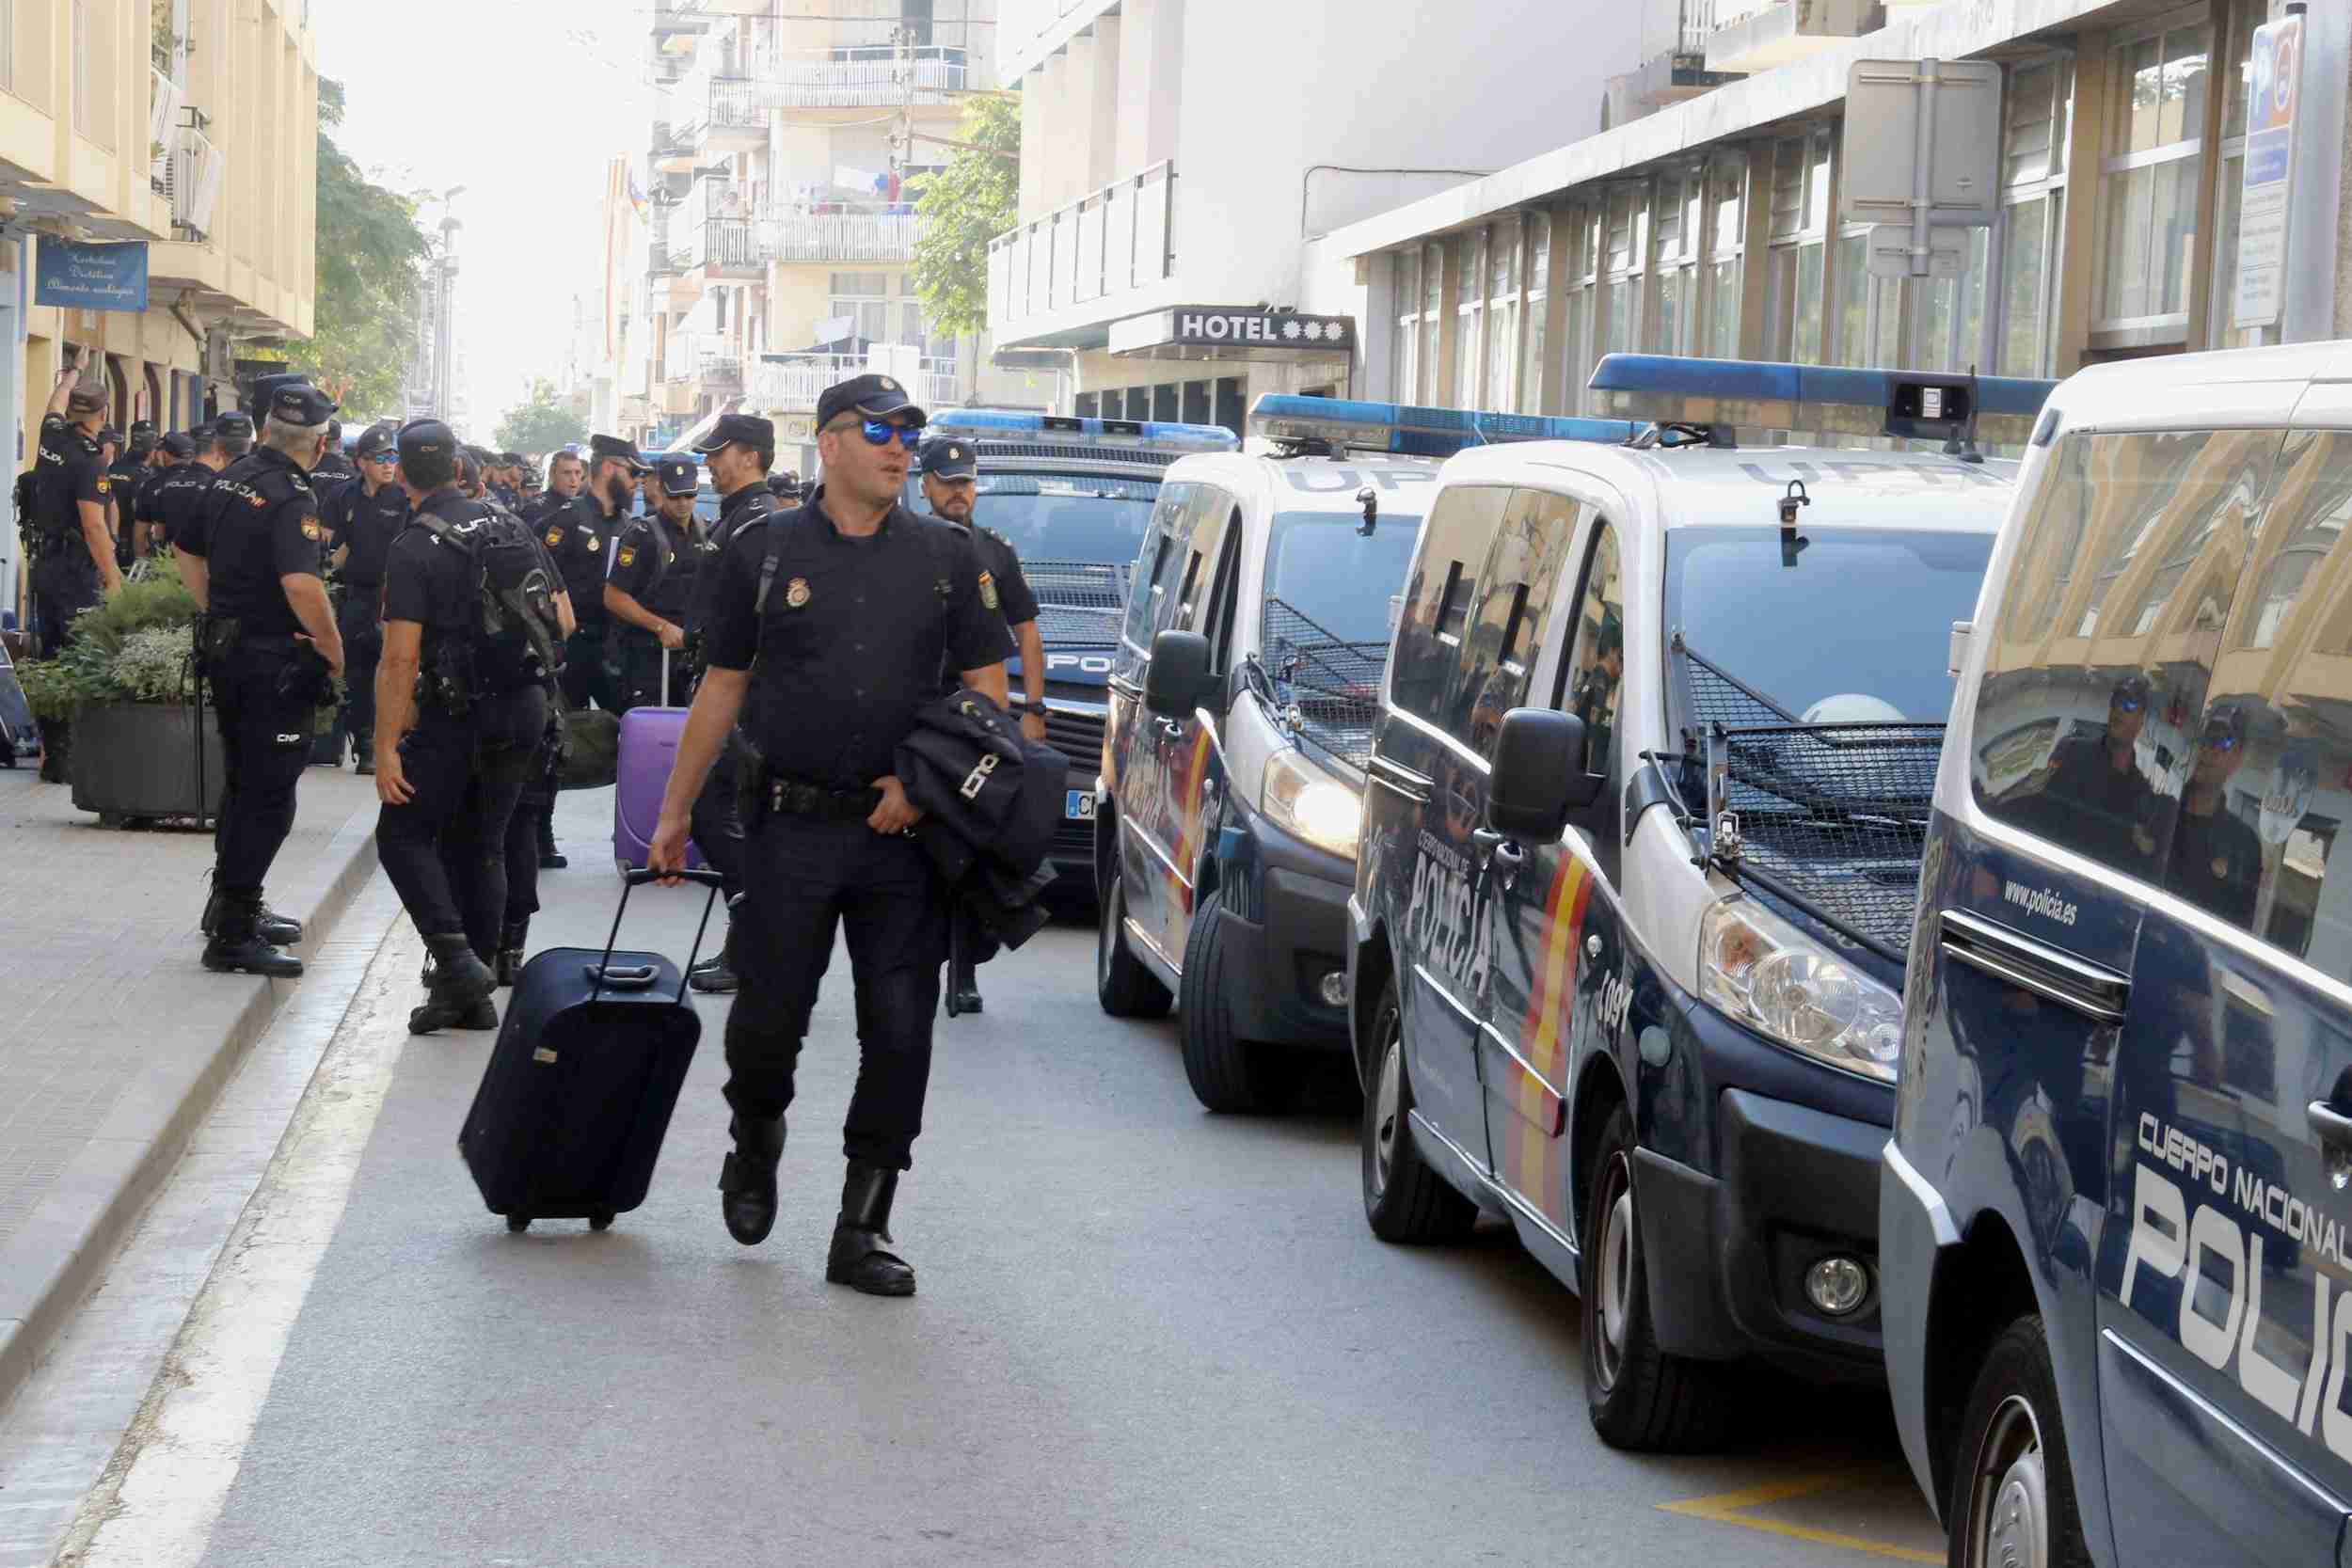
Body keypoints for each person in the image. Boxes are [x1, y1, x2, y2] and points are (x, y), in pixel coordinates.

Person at [648, 373, 1009, 1294]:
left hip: (901, 838)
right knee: (766, 1024)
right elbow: (722, 683)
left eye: (911, 432)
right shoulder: (761, 550)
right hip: (789, 828)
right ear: (831, 442)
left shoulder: (944, 553)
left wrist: (925, 783)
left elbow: (986, 692)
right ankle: (754, 1139)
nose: (901, 446)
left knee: (899, 1030)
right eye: (881, 430)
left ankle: (863, 1222)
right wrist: (675, 808)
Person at [373, 419, 566, 1034]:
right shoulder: (509, 522)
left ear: (402, 473)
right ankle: (472, 996)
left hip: (462, 712)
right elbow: (563, 616)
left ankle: (456, 961)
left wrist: (383, 747)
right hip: (526, 705)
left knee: (401, 833)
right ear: (459, 468)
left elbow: (400, 656)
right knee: (481, 843)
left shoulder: (413, 545)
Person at [183, 383, 345, 976]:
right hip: (272, 663)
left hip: (229, 653)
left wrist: (218, 611)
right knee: (269, 796)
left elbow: (185, 550)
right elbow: (302, 586)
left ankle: (231, 905)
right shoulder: (291, 496)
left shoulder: (232, 475)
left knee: (245, 784)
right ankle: (231, 935)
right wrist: (333, 649)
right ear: (320, 444)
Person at [918, 436, 1044, 1016]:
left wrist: (1034, 709)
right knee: (920, 847)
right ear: (926, 487)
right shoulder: (908, 547)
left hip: (977, 716)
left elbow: (1025, 627)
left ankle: (965, 967)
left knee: (975, 840)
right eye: (947, 484)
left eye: (966, 483)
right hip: (920, 709)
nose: (959, 493)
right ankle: (920, 960)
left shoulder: (995, 552)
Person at [677, 414, 784, 995]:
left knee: (717, 816)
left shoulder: (762, 523)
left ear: (750, 455)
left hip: (743, 697)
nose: (710, 464)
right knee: (723, 818)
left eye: (719, 453)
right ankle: (752, 942)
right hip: (726, 687)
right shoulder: (739, 518)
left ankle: (755, 943)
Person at [321, 425, 408, 775]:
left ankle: (395, 740)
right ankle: (365, 742)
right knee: (357, 672)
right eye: (381, 458)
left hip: (397, 599)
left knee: (395, 670)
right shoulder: (341, 496)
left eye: (393, 457)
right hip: (357, 596)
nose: (389, 464)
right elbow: (332, 546)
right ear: (361, 462)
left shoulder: (403, 497)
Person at [605, 454, 719, 712]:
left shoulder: (709, 531)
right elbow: (613, 597)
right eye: (675, 496)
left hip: (691, 653)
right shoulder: (641, 535)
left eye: (689, 496)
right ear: (662, 492)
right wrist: (660, 627)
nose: (683, 503)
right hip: (649, 656)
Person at [30, 350, 124, 655]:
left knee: (49, 650)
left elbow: (57, 399)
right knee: (80, 653)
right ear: (104, 413)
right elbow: (94, 526)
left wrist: (75, 371)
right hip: (74, 570)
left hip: (43, 561)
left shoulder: (52, 434)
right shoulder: (91, 461)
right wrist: (113, 580)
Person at [542, 432, 639, 718]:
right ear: (609, 468)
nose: (635, 482)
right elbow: (545, 583)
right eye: (631, 472)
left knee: (626, 723)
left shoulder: (627, 523)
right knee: (568, 730)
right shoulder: (568, 518)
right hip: (574, 647)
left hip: (613, 646)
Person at [2154, 704, 2264, 930]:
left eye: (2222, 742)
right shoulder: (2159, 811)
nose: (2209, 750)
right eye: (2207, 739)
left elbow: (2236, 934)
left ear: (2237, 758)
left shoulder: (2244, 846)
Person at [130, 431, 193, 560]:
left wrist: (141, 559)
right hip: (199, 561)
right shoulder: (208, 481)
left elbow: (141, 532)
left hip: (165, 562)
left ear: (165, 454)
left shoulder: (152, 485)